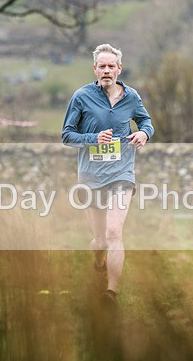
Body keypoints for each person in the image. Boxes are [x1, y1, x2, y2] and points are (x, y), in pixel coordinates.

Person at [61, 43, 154, 306]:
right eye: (101, 66)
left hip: (121, 174)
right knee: (100, 239)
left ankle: (111, 292)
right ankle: (98, 259)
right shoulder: (81, 97)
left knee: (114, 232)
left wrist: (144, 133)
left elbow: (146, 121)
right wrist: (93, 138)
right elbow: (67, 135)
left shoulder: (131, 97)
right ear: (95, 69)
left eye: (111, 66)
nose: (106, 70)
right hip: (91, 176)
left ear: (119, 69)